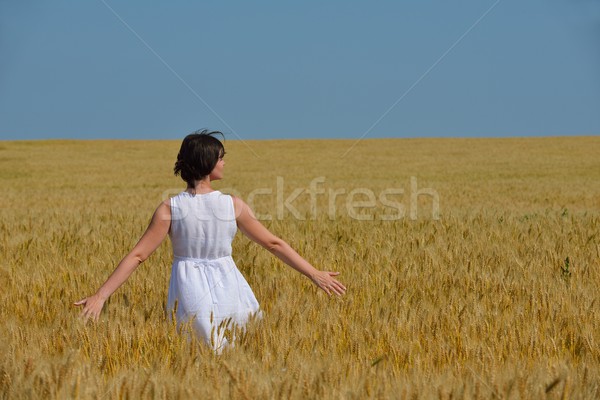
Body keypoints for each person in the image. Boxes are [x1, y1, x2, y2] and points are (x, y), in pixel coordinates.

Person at [74, 130, 346, 351]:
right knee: (246, 354)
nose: (224, 162)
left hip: (190, 293)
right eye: (220, 157)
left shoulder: (170, 208)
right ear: (207, 163)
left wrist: (101, 296)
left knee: (197, 354)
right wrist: (314, 274)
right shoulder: (233, 204)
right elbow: (273, 244)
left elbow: (137, 256)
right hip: (232, 290)